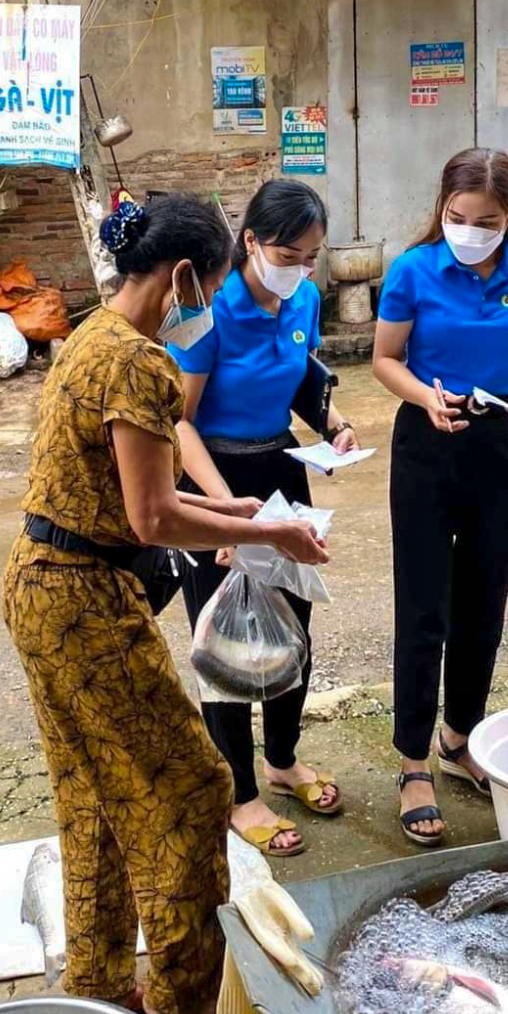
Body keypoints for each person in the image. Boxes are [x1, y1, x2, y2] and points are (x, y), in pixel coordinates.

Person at [2, 194, 327, 1014]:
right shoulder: (140, 364)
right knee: (193, 785)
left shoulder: (87, 335)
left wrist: (256, 521)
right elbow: (154, 517)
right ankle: (187, 996)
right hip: (84, 602)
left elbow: (155, 500)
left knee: (97, 791)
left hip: (41, 584)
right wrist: (269, 530)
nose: (208, 307)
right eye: (211, 286)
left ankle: (102, 980)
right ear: (185, 275)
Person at [371, 147, 508, 846]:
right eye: (456, 217)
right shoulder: (412, 271)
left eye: (485, 219)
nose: (469, 230)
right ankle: (413, 761)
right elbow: (385, 360)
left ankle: (460, 737)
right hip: (426, 441)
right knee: (424, 607)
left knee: (485, 599)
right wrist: (427, 398)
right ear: (441, 209)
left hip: (499, 442)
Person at [171, 179, 356, 858]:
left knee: (291, 624)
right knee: (225, 640)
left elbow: (302, 374)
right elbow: (178, 423)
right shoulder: (201, 310)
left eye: (312, 257)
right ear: (249, 241)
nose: (301, 269)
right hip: (213, 480)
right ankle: (239, 793)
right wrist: (221, 510)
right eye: (289, 253)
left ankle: (281, 759)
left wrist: (332, 423)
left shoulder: (303, 295)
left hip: (281, 470)